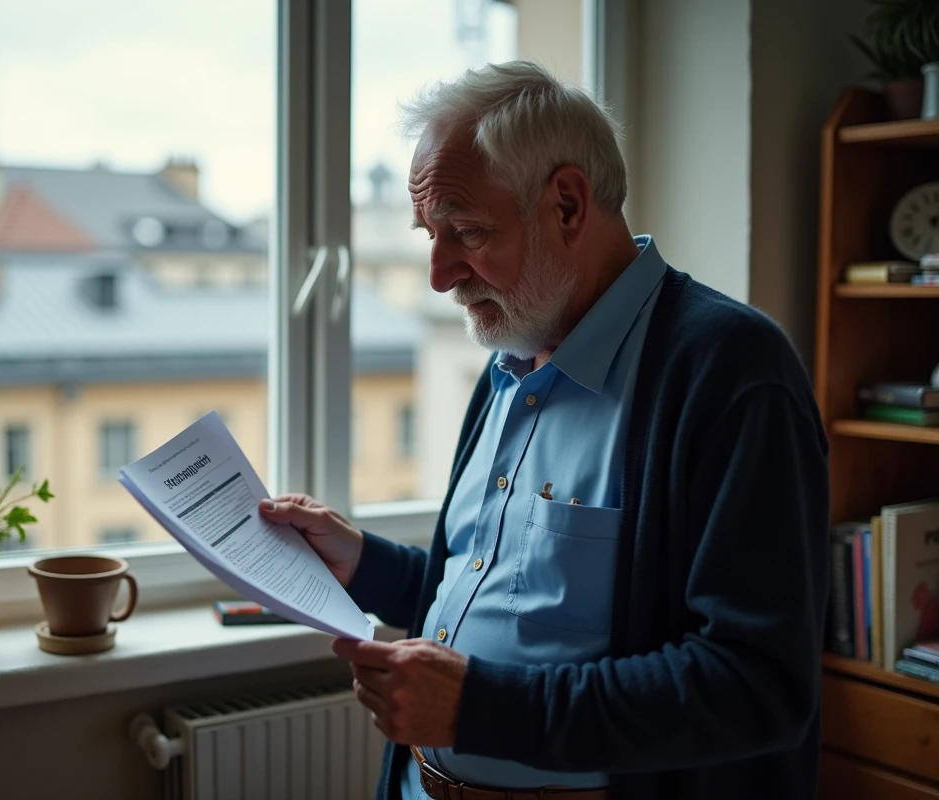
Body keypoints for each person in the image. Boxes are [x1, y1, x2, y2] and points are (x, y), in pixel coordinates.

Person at [258, 60, 829, 800]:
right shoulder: (509, 359)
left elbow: (756, 685)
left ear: (566, 204)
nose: (438, 274)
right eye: (430, 235)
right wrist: (362, 564)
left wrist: (479, 709)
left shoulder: (732, 372)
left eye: (466, 231)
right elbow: (497, 591)